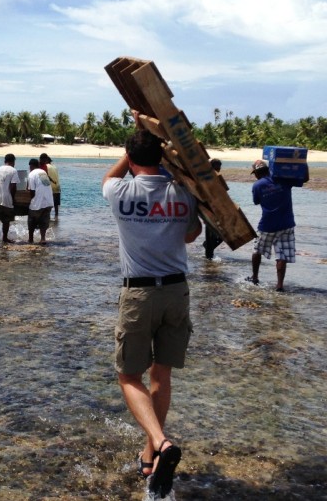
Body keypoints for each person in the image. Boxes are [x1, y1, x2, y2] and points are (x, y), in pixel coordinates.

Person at [102, 128, 201, 498]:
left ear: (129, 156)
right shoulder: (184, 192)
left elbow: (110, 177)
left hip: (139, 294)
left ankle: (160, 442)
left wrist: (130, 155)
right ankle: (151, 456)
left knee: (129, 377)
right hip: (177, 290)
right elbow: (191, 236)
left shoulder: (120, 192)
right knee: (162, 375)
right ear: (162, 156)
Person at [247, 159, 307, 291]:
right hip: (286, 224)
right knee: (282, 256)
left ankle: (255, 277)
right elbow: (305, 178)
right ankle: (279, 285)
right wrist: (303, 163)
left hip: (267, 225)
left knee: (257, 250)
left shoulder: (257, 185)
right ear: (268, 169)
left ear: (256, 173)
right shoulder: (284, 179)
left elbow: (256, 202)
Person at [0, 154, 19, 244]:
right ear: (13, 161)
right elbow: (13, 186)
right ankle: (4, 238)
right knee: (6, 219)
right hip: (5, 197)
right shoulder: (13, 170)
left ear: (5, 161)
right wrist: (13, 198)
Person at [28, 158, 54, 244]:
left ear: (31, 166)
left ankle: (30, 239)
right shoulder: (43, 172)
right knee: (44, 220)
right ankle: (43, 239)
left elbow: (32, 191)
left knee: (32, 219)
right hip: (49, 201)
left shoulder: (31, 174)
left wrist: (30, 200)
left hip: (38, 203)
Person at [202, 158, 223, 259]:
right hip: (209, 211)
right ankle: (208, 258)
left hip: (217, 211)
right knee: (211, 235)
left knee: (221, 236)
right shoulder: (206, 179)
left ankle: (208, 249)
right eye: (217, 168)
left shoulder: (217, 178)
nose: (218, 170)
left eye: (219, 168)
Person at [39, 153, 61, 219]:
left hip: (50, 187)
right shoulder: (55, 167)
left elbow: (44, 177)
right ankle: (56, 217)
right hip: (57, 186)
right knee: (56, 204)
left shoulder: (45, 166)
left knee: (48, 203)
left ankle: (47, 217)